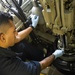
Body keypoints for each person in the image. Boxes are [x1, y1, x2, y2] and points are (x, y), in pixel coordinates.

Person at [0, 11, 64, 75]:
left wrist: (32, 26)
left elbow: (17, 37)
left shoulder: (2, 40)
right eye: (14, 31)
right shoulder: (7, 66)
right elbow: (37, 67)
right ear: (2, 38)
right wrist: (54, 55)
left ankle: (42, 56)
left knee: (21, 46)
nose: (16, 33)